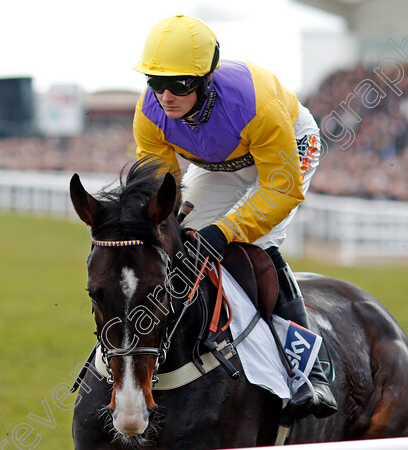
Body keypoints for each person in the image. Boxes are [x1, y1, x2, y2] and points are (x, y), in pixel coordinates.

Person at [132, 14, 337, 419]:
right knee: (183, 238)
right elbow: (162, 190)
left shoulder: (253, 105)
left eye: (180, 84)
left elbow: (281, 188)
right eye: (156, 83)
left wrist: (226, 230)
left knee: (255, 244)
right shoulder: (149, 113)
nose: (166, 97)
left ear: (206, 77)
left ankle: (309, 370)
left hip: (285, 154)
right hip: (219, 164)